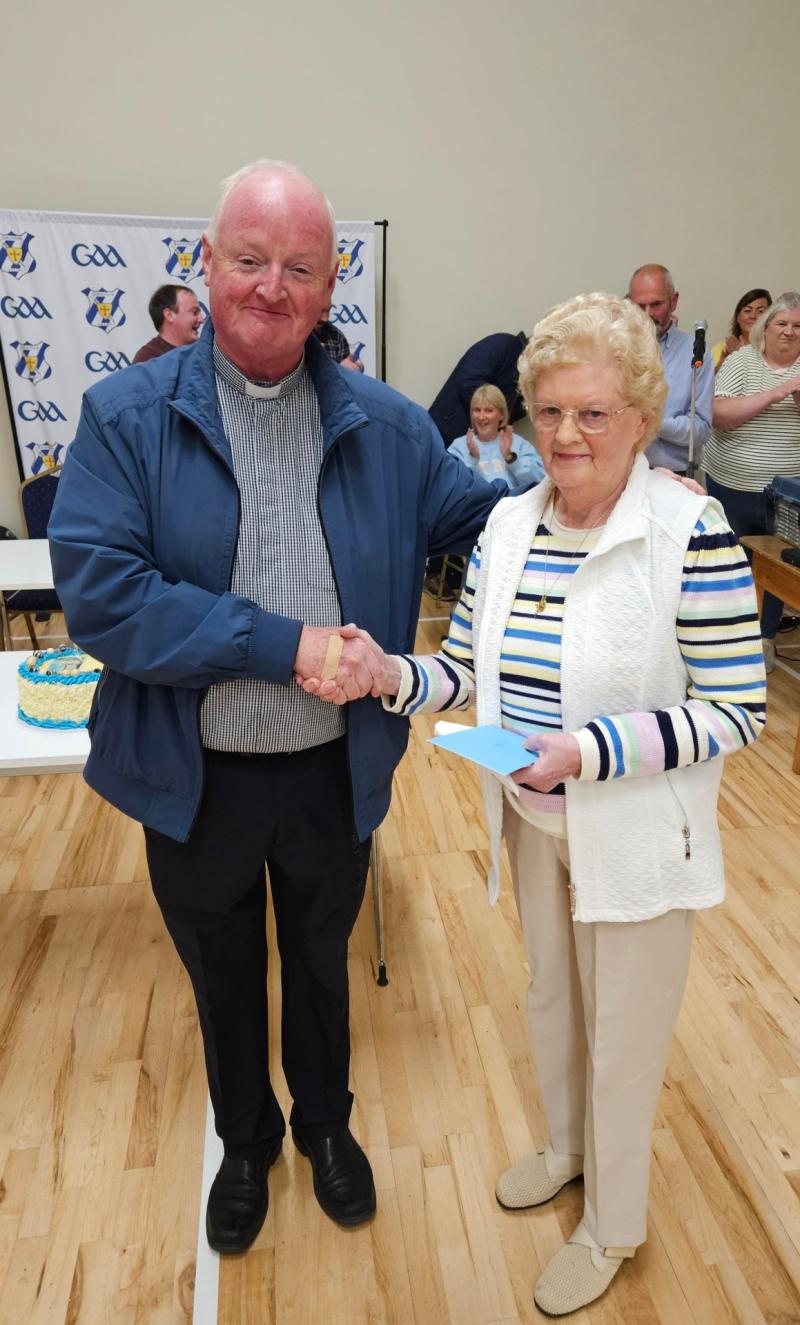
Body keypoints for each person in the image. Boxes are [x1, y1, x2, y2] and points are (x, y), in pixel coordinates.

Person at [48, 159, 504, 1256]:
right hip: (190, 768)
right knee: (220, 968)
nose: (270, 284)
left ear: (328, 283)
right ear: (206, 267)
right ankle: (243, 1141)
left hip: (326, 766)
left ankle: (326, 1128)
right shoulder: (123, 417)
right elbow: (105, 597)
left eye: (297, 266)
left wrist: (606, 476)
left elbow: (496, 522)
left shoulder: (391, 430)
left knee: (318, 962)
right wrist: (279, 641)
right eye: (249, 259)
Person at [302, 293, 766, 1315]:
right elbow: (465, 671)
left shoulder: (686, 531)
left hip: (633, 834)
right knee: (553, 1000)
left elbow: (735, 709)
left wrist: (586, 751)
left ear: (640, 418)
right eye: (548, 410)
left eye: (592, 413)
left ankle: (613, 1224)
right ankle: (564, 1145)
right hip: (530, 819)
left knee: (624, 1032)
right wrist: (389, 673)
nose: (563, 435)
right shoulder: (509, 523)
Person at [704, 291, 800, 671]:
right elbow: (720, 414)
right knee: (729, 562)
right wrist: (778, 392)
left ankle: (765, 639)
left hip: (785, 494)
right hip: (730, 483)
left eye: (798, 326)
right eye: (782, 323)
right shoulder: (743, 360)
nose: (789, 332)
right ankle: (722, 638)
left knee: (776, 567)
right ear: (766, 326)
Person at [628, 263, 714, 472]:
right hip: (621, 474)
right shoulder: (616, 348)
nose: (647, 314)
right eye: (640, 306)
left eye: (656, 304)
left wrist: (652, 423)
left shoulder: (694, 353)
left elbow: (700, 429)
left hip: (672, 475)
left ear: (673, 301)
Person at [429, 330, 528, 445]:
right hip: (441, 433)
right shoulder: (504, 345)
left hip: (466, 449)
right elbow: (468, 382)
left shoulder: (530, 386)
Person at [447, 383, 544, 494]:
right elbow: (452, 490)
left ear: (502, 414)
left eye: (489, 410)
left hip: (514, 507)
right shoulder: (458, 447)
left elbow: (541, 481)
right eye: (477, 410)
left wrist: (510, 458)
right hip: (479, 510)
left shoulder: (517, 443)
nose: (482, 416)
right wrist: (472, 459)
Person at [132, 283, 204, 362]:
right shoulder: (147, 361)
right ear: (169, 315)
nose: (201, 319)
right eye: (194, 312)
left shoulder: (204, 352)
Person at [712, 287, 771, 370]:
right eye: (747, 311)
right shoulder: (722, 348)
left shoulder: (774, 350)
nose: (753, 316)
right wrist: (724, 360)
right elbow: (706, 381)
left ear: (770, 318)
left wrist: (740, 356)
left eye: (760, 311)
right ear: (738, 318)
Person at [313, 304, 364, 371]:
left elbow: (344, 376)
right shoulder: (296, 336)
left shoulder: (337, 336)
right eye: (321, 311)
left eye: (328, 311)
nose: (325, 319)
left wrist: (348, 371)